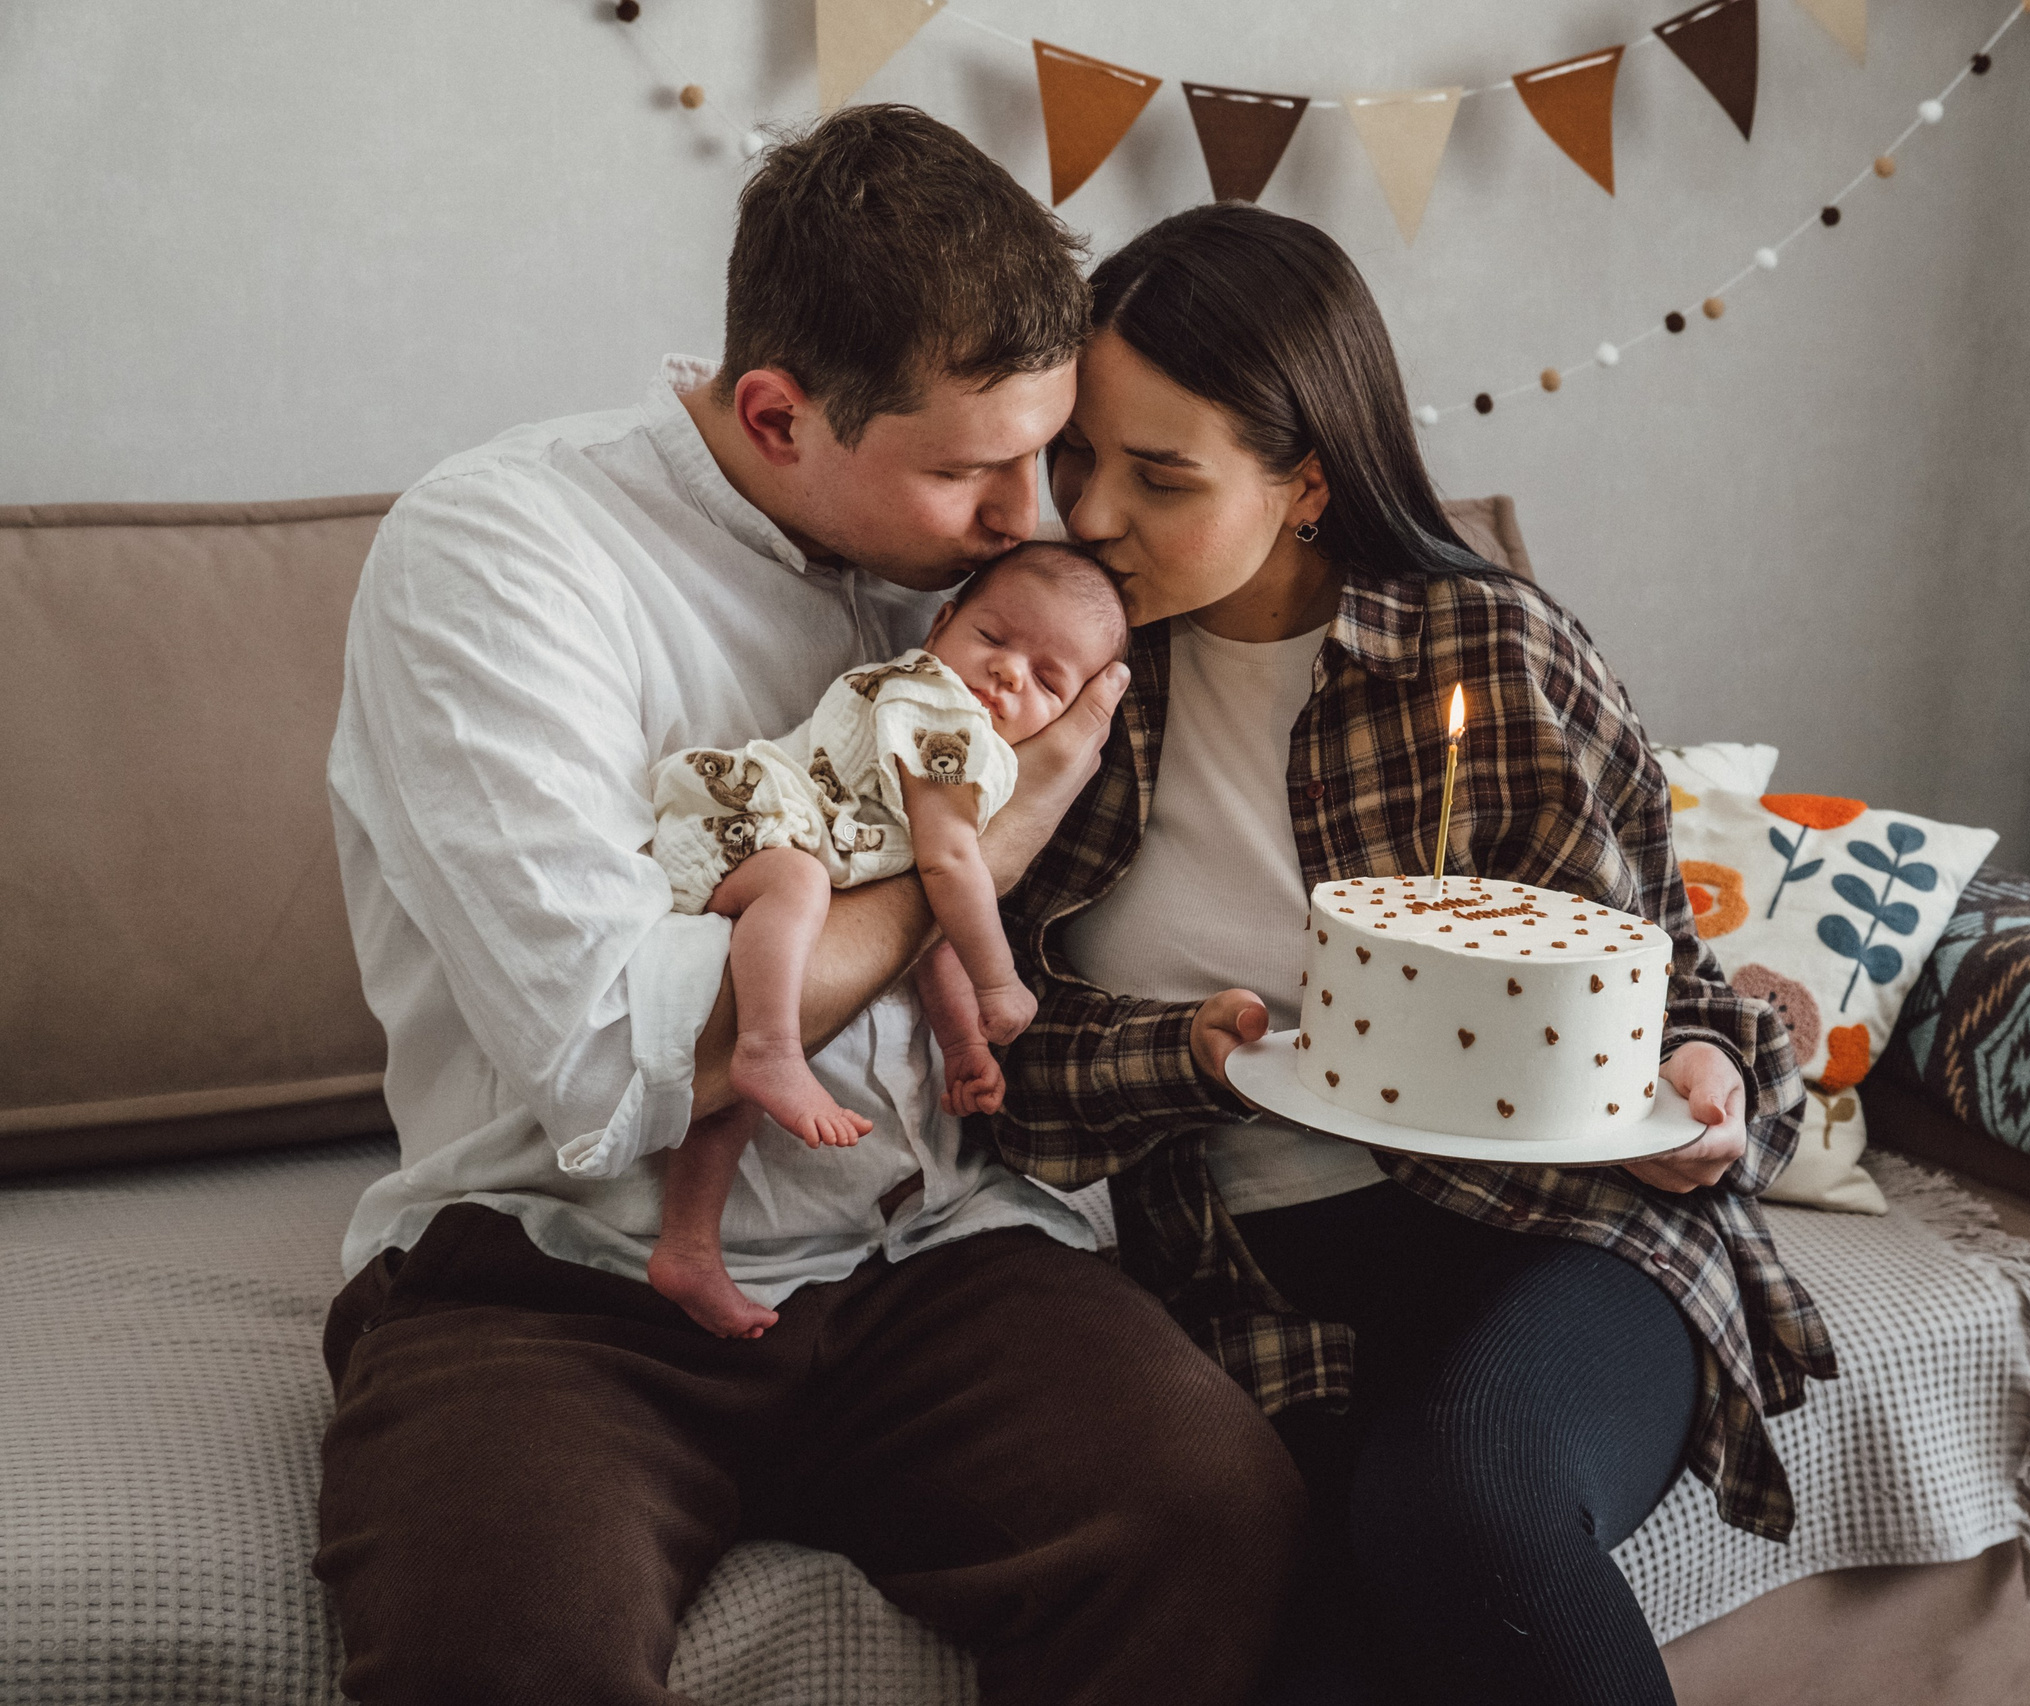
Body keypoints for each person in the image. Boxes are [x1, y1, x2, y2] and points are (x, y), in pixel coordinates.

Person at [315, 111, 1300, 1706]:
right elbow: (615, 1054)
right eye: (975, 470)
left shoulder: (1001, 579)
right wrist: (975, 846)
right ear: (776, 413)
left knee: (1213, 1510)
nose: (1030, 515)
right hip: (570, 1279)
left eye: (1042, 450)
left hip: (928, 1251)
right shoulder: (503, 553)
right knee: (492, 1646)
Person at [992, 202, 1838, 1706]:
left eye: (1160, 474)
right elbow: (1000, 1076)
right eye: (1076, 457)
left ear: (1307, 481)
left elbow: (1674, 994)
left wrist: (1706, 1084)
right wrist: (1190, 1057)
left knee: (1466, 1506)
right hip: (1252, 1282)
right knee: (1309, 1649)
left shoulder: (1490, 651)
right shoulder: (1049, 679)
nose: (1093, 510)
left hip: (1562, 1232)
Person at [643, 541, 1129, 1338]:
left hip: (777, 860)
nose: (1009, 675)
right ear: (941, 625)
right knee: (796, 886)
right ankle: (769, 1046)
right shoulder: (938, 709)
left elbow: (921, 932)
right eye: (995, 638)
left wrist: (964, 1041)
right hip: (740, 820)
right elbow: (950, 865)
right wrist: (1001, 983)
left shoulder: (962, 744)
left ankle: (688, 1248)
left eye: (1047, 680)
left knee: (730, 1096)